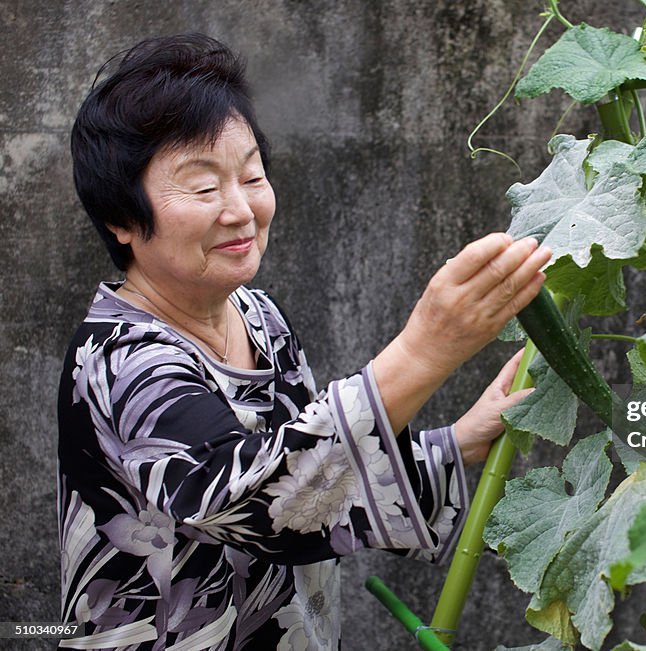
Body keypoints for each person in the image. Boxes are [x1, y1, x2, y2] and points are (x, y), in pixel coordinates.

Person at [57, 33, 551, 649]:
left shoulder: (259, 319)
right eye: (204, 188)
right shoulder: (119, 357)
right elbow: (259, 508)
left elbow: (320, 483)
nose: (239, 209)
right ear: (122, 219)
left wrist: (460, 441)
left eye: (252, 175)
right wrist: (425, 350)